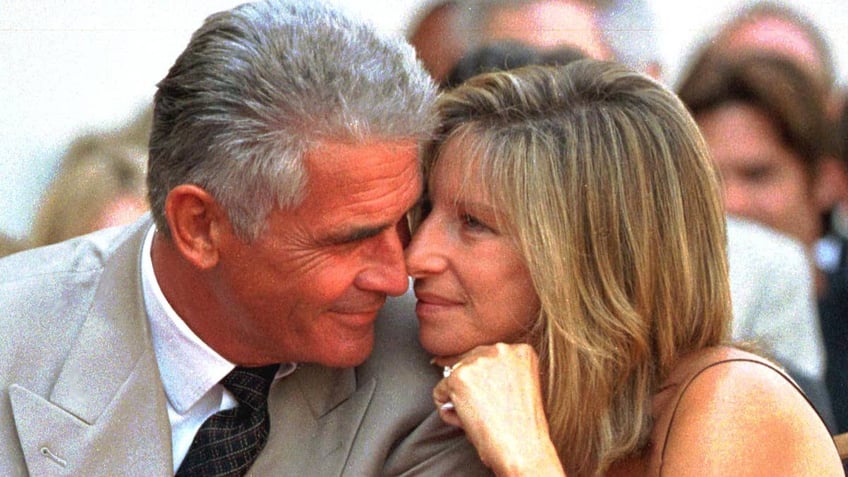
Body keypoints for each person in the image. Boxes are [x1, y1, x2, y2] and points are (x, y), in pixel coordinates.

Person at [0, 1, 488, 475]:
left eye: (406, 218)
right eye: (347, 241)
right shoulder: (16, 335)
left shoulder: (437, 375)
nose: (397, 274)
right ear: (200, 226)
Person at [404, 60, 842, 476]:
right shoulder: (465, 404)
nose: (416, 256)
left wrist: (525, 460)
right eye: (426, 211)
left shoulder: (733, 402)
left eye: (474, 224)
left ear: (593, 257)